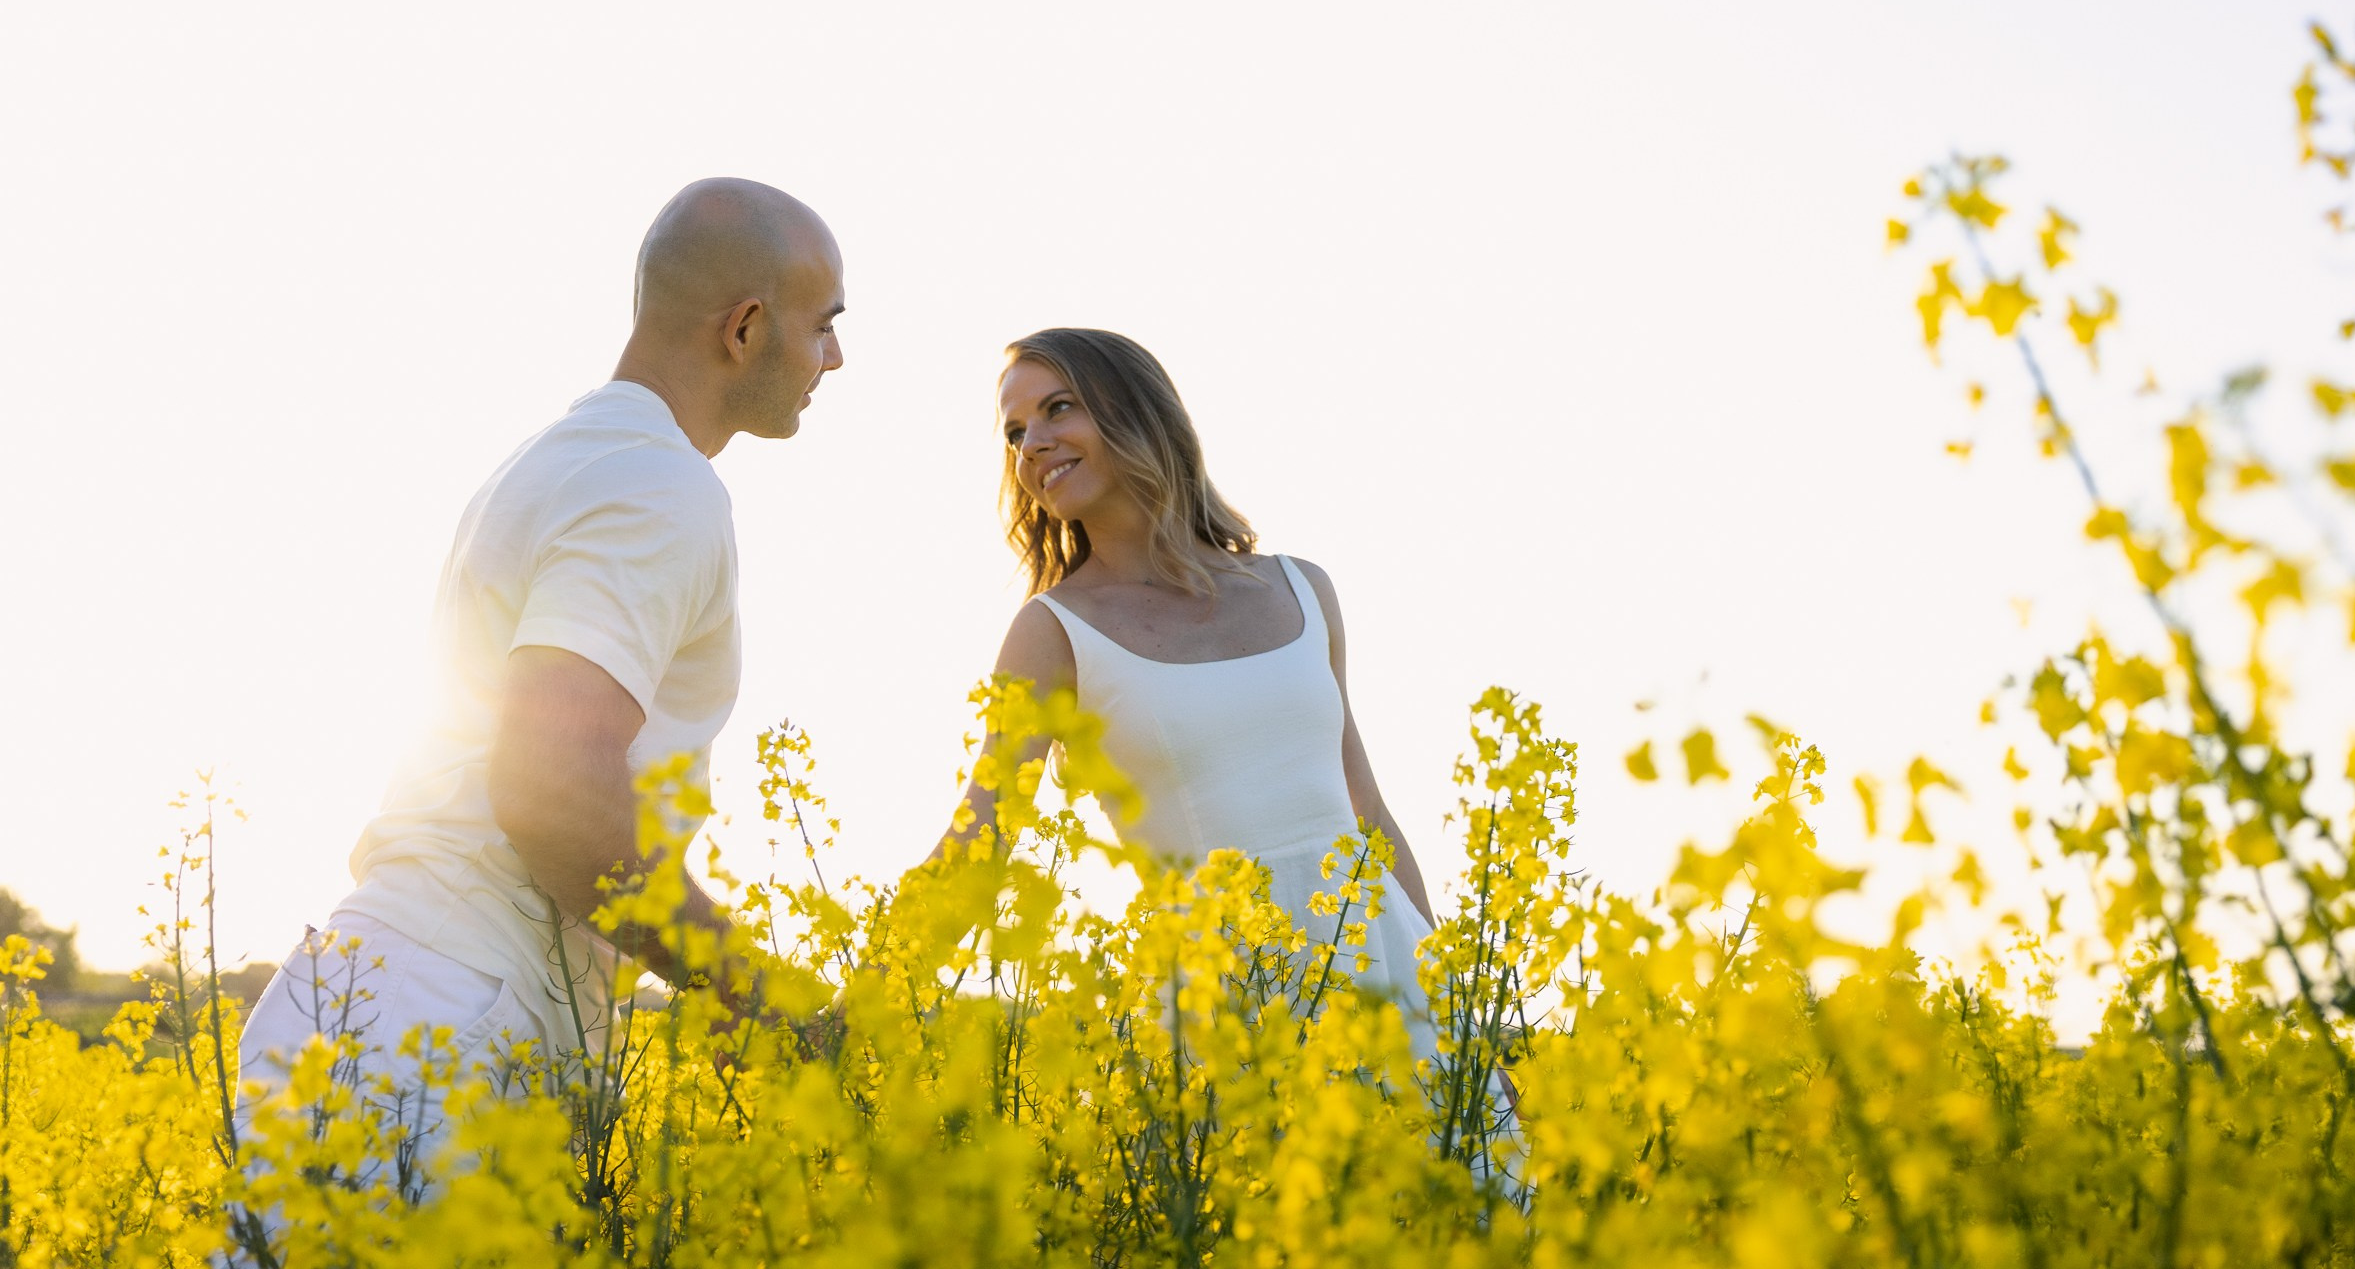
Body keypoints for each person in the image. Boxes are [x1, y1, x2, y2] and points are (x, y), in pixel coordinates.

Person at [234, 177, 845, 1180]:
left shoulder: (558, 458)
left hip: (374, 993)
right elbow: (551, 788)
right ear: (744, 328)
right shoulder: (660, 487)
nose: (834, 358)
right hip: (453, 1015)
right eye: (824, 326)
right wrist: (752, 989)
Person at [934, 328, 1508, 1145]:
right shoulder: (1052, 632)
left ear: (1139, 410)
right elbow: (980, 839)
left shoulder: (1303, 589)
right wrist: (857, 1001)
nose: (1031, 445)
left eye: (1059, 408)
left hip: (1391, 981)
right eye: (1016, 431)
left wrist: (1464, 1016)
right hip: (1224, 1010)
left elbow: (1369, 814)